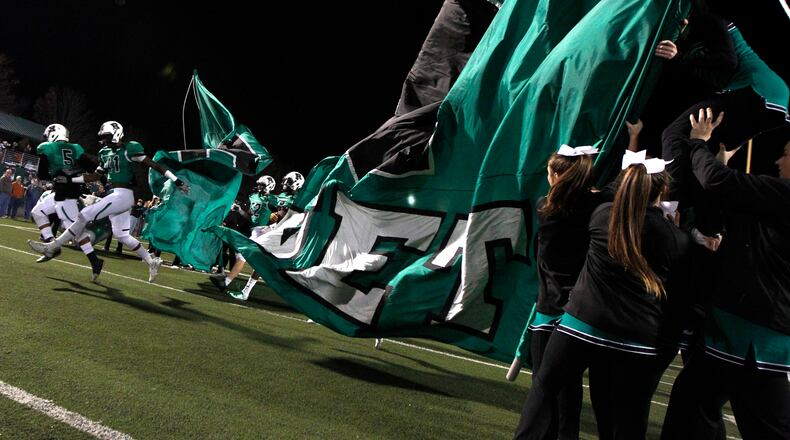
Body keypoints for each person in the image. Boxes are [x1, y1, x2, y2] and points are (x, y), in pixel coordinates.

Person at [514, 151, 691, 440]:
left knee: (544, 391)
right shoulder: (676, 239)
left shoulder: (601, 216)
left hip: (581, 324)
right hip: (636, 339)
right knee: (625, 421)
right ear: (663, 190)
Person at [661, 110, 790, 440]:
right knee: (691, 404)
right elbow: (726, 192)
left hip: (756, 337)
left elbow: (718, 181)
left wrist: (698, 145)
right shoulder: (775, 197)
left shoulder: (783, 194)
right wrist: (719, 161)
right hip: (738, 327)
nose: (778, 159)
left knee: (765, 426)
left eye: (787, 153)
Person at [516, 144, 607, 440]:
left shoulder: (546, 205)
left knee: (543, 392)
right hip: (581, 314)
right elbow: (616, 187)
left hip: (550, 311)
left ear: (555, 174)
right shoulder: (597, 206)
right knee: (570, 395)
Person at [28, 121, 190, 283]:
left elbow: (154, 165)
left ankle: (52, 246)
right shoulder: (104, 152)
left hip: (123, 194)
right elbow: (95, 177)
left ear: (117, 133)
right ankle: (151, 260)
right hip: (114, 194)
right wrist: (69, 179)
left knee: (84, 214)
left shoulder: (130, 149)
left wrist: (177, 181)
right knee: (122, 235)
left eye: (106, 137)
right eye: (102, 138)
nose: (103, 141)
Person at [27, 124, 104, 278]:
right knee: (38, 211)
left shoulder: (47, 148)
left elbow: (42, 174)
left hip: (65, 194)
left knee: (74, 231)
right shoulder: (75, 148)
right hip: (68, 189)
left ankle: (95, 261)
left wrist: (56, 175)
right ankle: (52, 245)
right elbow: (91, 166)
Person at [228, 171, 304, 301]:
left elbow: (298, 218)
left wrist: (282, 217)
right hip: (275, 232)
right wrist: (275, 218)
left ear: (297, 184)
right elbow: (274, 212)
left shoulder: (299, 200)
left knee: (286, 268)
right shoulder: (281, 196)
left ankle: (303, 295)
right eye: (286, 180)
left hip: (286, 236)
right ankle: (244, 290)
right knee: (262, 261)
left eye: (289, 181)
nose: (285, 183)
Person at [210, 175, 276, 293]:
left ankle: (225, 282)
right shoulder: (254, 196)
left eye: (262, 185)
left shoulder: (272, 199)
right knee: (257, 261)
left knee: (242, 255)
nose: (259, 186)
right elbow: (249, 216)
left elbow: (282, 214)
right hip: (254, 230)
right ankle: (240, 288)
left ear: (269, 186)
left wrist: (275, 221)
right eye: (259, 184)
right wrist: (239, 210)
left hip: (264, 231)